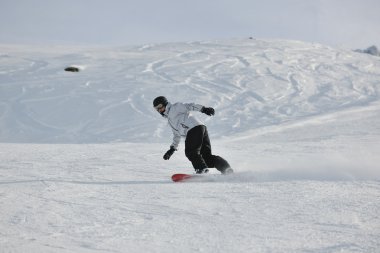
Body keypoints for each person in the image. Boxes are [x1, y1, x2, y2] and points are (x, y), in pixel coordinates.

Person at [153, 96, 233, 174]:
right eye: (156, 109)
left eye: (160, 106)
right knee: (206, 158)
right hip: (201, 129)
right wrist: (172, 149)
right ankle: (227, 169)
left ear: (165, 104)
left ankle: (201, 170)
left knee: (191, 152)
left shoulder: (175, 108)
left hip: (194, 129)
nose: (159, 110)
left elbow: (189, 106)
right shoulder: (170, 120)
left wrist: (203, 109)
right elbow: (176, 135)